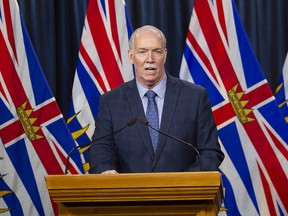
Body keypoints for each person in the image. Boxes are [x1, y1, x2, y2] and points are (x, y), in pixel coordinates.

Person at [88, 25, 224, 174]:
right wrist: (106, 170)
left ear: (165, 55)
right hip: (130, 194)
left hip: (182, 194)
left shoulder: (195, 97)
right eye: (142, 52)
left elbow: (210, 152)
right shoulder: (111, 101)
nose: (150, 59)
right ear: (131, 56)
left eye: (156, 51)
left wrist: (184, 182)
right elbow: (100, 149)